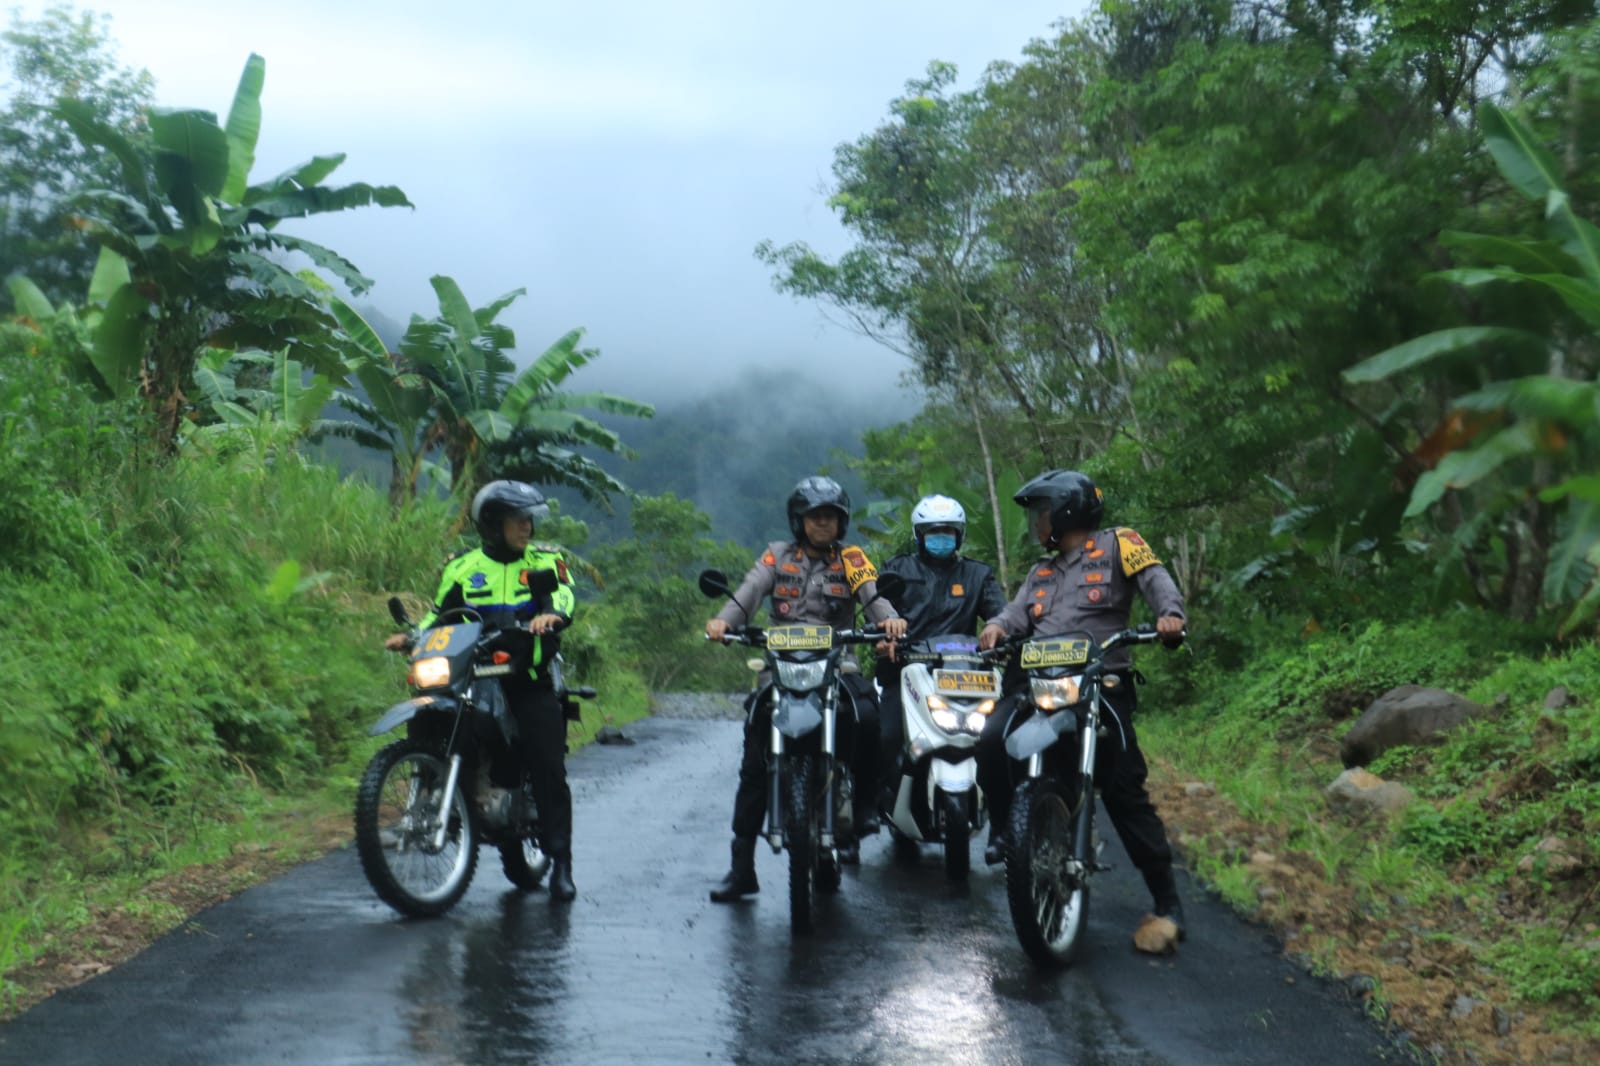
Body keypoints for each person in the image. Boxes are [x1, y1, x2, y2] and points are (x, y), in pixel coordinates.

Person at [976, 469, 1189, 944]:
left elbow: (1157, 582)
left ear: (1068, 510)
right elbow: (1015, 613)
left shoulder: (1121, 544)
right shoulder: (1041, 571)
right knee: (991, 741)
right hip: (1038, 682)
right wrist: (996, 627)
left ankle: (1166, 900)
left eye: (1042, 512)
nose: (1037, 523)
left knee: (1124, 790)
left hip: (1100, 684)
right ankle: (1004, 832)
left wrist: (1170, 615)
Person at [704, 476, 908, 902]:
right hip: (781, 665)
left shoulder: (852, 558)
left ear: (842, 522)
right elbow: (749, 594)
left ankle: (867, 806)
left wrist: (889, 620)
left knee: (869, 717)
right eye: (815, 516)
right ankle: (742, 867)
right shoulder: (776, 555)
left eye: (830, 517)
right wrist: (725, 620)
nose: (823, 524)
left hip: (839, 660)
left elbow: (873, 597)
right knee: (755, 755)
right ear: (799, 520)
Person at [384, 480, 580, 903]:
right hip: (473, 675)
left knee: (547, 763)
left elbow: (564, 597)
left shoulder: (547, 561)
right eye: (516, 519)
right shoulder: (462, 567)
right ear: (492, 524)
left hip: (527, 678)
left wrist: (550, 615)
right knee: (432, 718)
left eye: (529, 519)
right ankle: (446, 799)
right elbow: (442, 615)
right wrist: (412, 636)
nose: (526, 527)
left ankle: (561, 861)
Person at [874, 494, 1008, 809]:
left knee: (999, 737)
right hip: (905, 672)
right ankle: (880, 799)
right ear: (920, 536)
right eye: (933, 533)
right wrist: (886, 634)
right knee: (884, 736)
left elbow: (1000, 614)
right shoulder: (898, 569)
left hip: (966, 674)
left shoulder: (978, 575)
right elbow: (879, 610)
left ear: (959, 535)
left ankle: (1003, 815)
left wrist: (999, 630)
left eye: (948, 532)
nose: (941, 539)